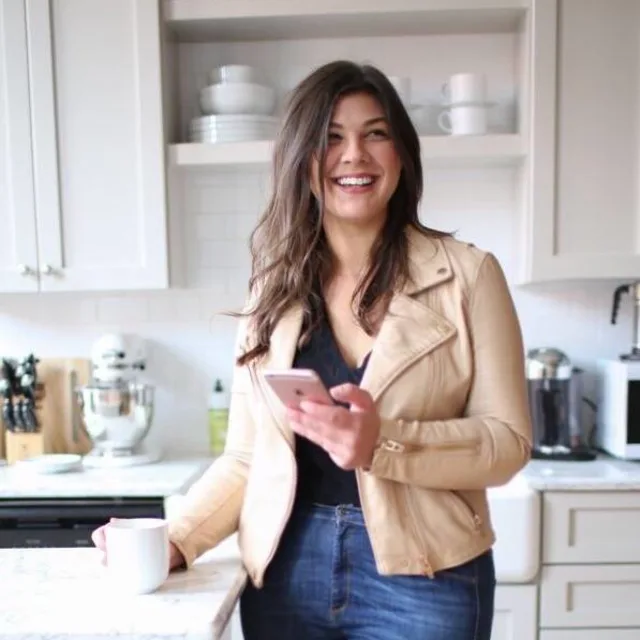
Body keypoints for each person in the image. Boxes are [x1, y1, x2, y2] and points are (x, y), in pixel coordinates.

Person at [92, 60, 532, 639]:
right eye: (330, 138)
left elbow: (508, 441)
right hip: (286, 570)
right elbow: (249, 459)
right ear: (301, 161)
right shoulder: (271, 290)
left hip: (427, 578)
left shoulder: (470, 276)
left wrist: (383, 443)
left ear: (402, 153)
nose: (355, 155)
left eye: (376, 133)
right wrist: (177, 536)